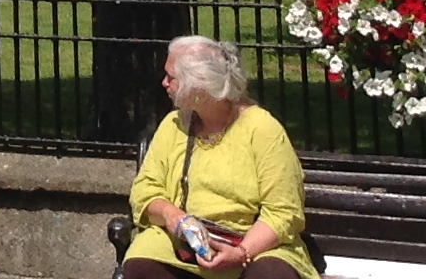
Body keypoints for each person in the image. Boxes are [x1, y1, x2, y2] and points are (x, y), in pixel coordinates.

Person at [121, 35, 314, 279]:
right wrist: (174, 217)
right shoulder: (173, 125)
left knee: (269, 275)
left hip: (254, 247)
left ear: (198, 86)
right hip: (185, 244)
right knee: (141, 266)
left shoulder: (263, 129)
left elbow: (283, 212)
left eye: (171, 77)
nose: (164, 83)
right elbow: (146, 190)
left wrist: (242, 252)